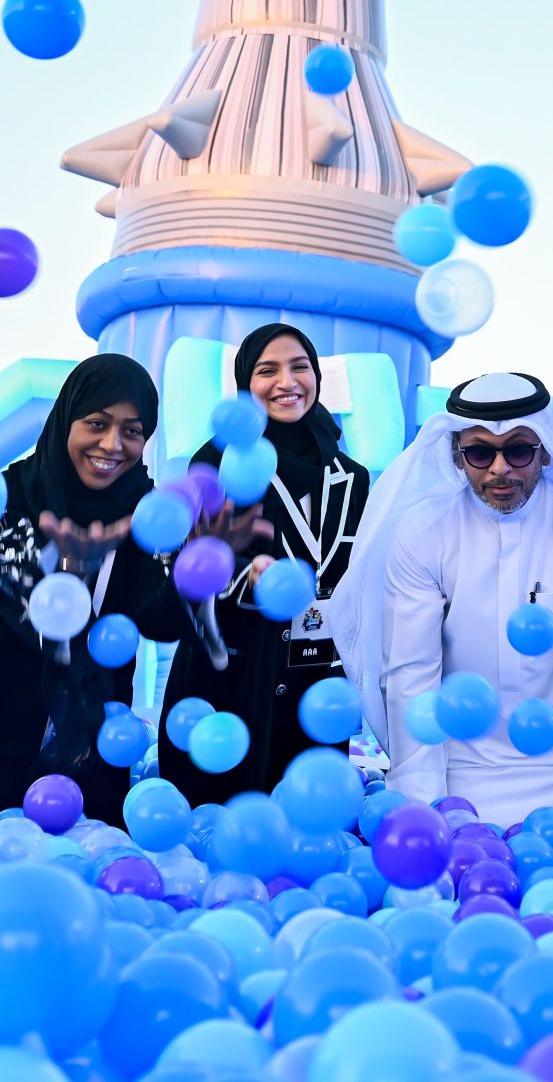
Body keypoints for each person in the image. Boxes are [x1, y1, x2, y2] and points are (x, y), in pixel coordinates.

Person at [338, 372, 553, 825]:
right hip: (456, 775)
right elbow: (411, 676)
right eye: (480, 452)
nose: (500, 469)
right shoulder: (424, 531)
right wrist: (427, 810)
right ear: (457, 457)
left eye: (518, 450)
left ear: (545, 451)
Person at [0, 353, 189, 820]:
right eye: (97, 423)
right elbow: (10, 584)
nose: (112, 444)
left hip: (89, 739)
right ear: (67, 420)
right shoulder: (16, 490)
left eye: (132, 430)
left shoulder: (148, 515)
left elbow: (164, 619)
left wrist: (201, 564)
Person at [162, 323, 372, 805]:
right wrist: (243, 579)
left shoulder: (350, 477)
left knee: (309, 818)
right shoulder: (217, 463)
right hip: (232, 673)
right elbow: (185, 564)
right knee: (218, 812)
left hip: (315, 680)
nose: (287, 382)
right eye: (266, 370)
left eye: (300, 367)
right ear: (244, 384)